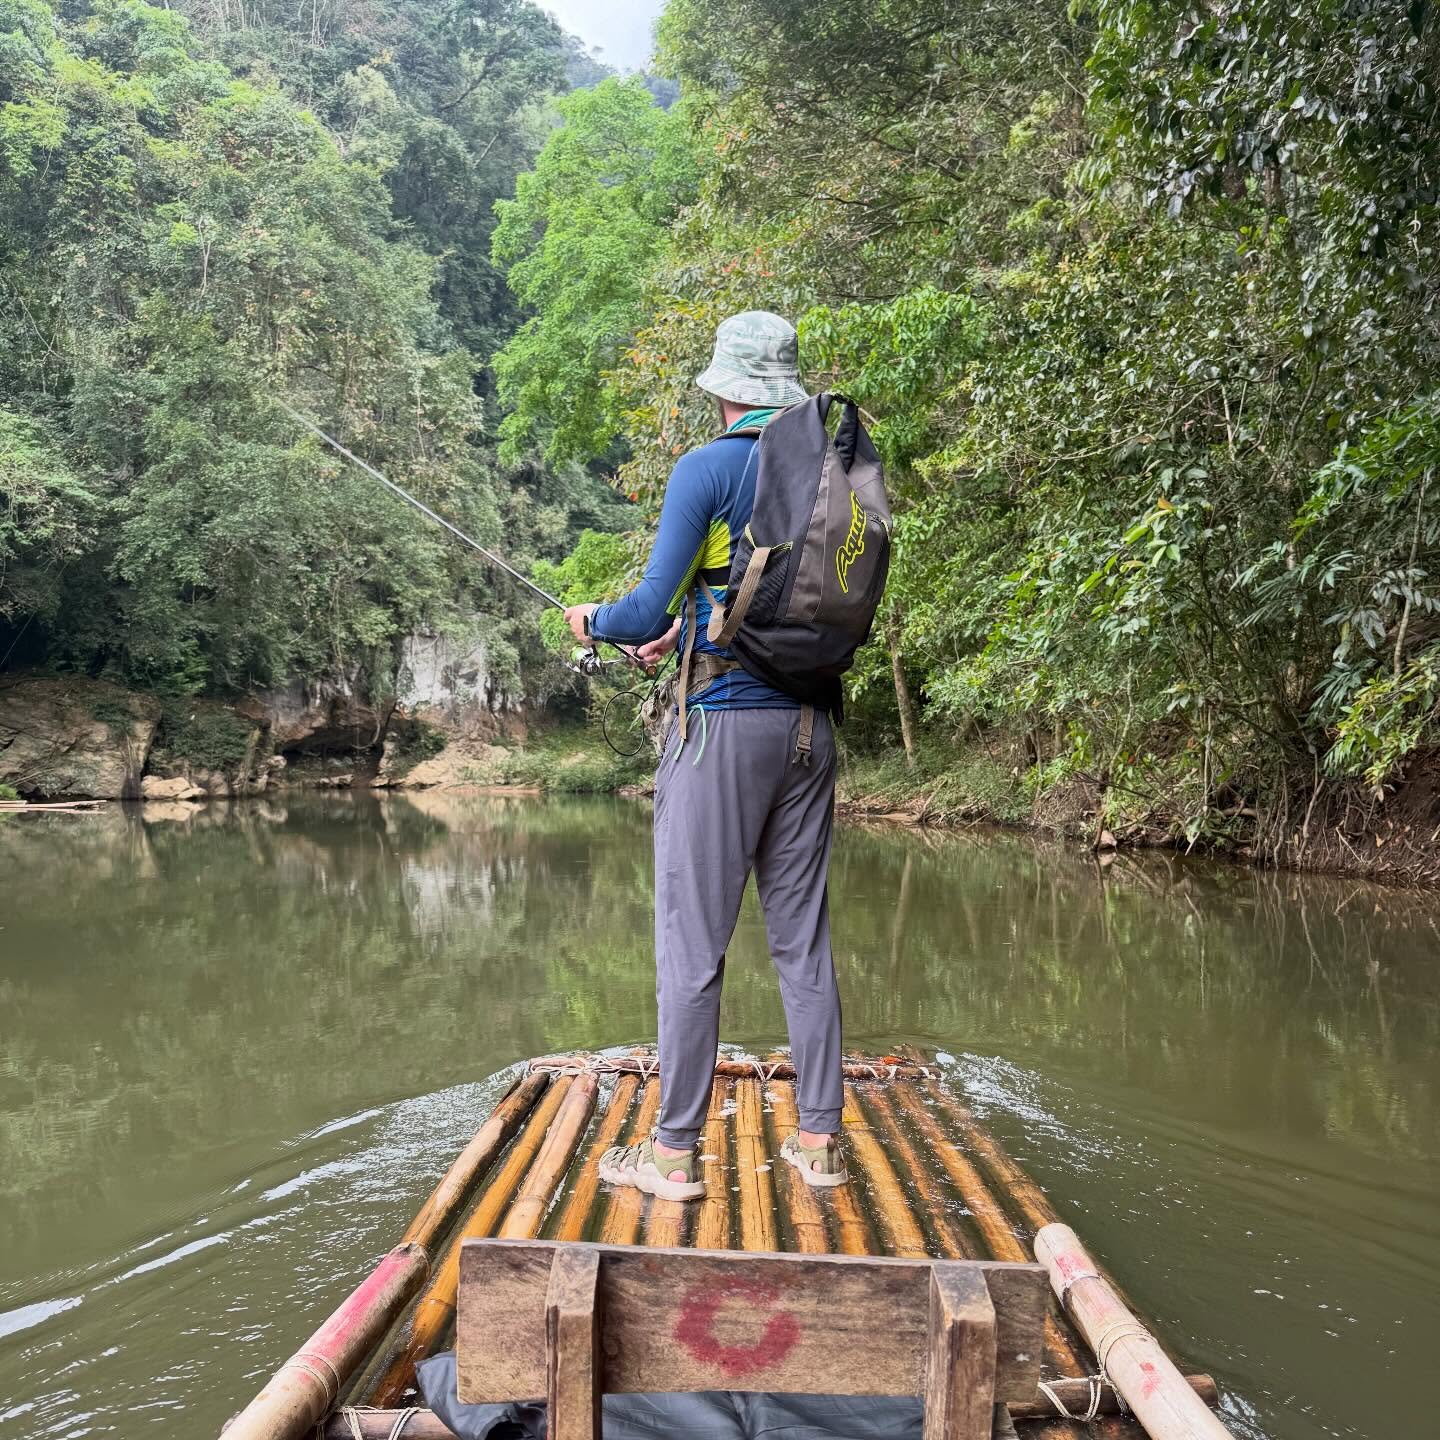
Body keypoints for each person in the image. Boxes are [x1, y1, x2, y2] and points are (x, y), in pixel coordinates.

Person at [563, 311, 847, 1202]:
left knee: (692, 949)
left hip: (722, 729)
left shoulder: (709, 468)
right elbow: (759, 603)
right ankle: (820, 1145)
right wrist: (682, 633)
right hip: (811, 731)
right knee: (802, 943)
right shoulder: (832, 472)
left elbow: (647, 607)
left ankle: (675, 1155)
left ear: (725, 389)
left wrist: (598, 624)